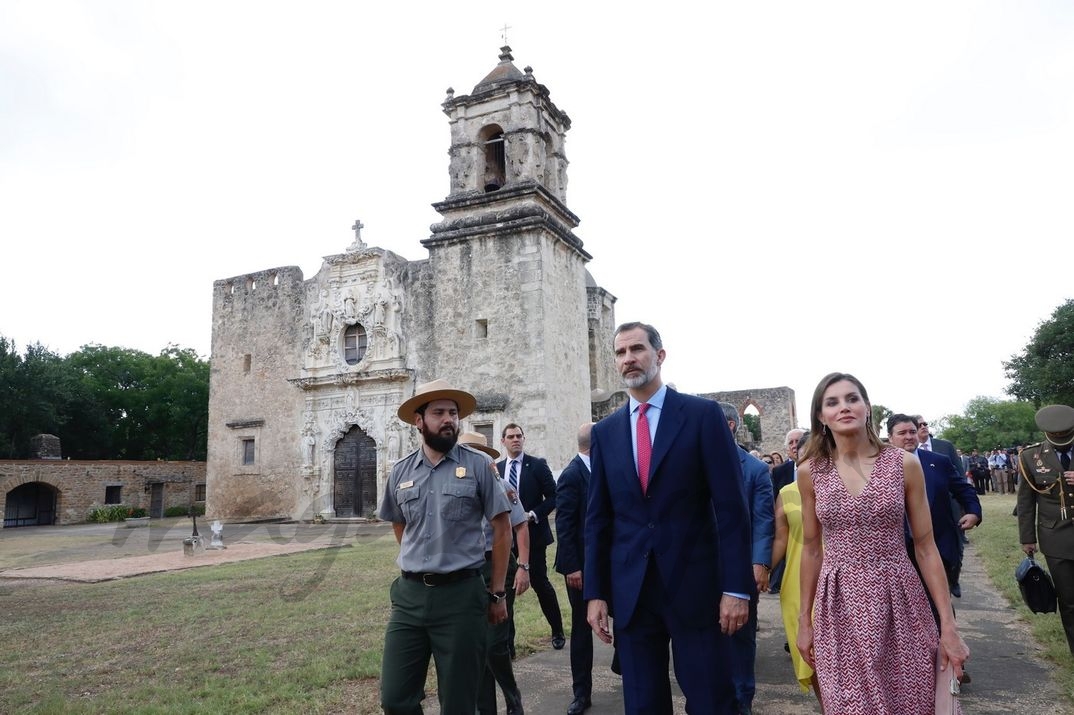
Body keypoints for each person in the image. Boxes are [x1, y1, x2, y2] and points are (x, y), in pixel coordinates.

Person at [584, 322, 754, 714]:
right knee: (643, 705)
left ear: (659, 356)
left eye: (637, 349)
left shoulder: (701, 416)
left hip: (697, 588)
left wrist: (737, 588)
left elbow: (731, 508)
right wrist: (596, 592)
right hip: (632, 593)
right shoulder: (606, 433)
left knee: (712, 701)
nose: (629, 359)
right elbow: (599, 519)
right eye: (621, 352)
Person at [797, 373, 968, 714]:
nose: (844, 407)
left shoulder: (903, 464)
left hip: (900, 597)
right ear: (820, 415)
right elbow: (812, 548)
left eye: (852, 399)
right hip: (838, 603)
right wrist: (804, 621)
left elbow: (925, 546)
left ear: (867, 407)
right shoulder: (810, 471)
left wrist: (948, 625)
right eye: (832, 402)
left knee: (910, 700)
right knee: (849, 704)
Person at [378, 379, 513, 715]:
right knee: (395, 698)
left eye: (453, 412)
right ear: (418, 420)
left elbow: (502, 528)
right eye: (438, 412)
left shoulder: (479, 466)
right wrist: (421, 558)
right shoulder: (401, 471)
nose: (448, 419)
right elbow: (399, 523)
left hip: (461, 598)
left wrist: (497, 593)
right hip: (409, 598)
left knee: (459, 703)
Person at [460, 431, 532, 715]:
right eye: (467, 451)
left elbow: (520, 525)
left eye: (478, 452)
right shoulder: (453, 486)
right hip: (465, 569)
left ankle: (512, 697)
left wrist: (524, 566)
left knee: (493, 644)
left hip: (497, 566)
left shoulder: (501, 485)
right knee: (474, 647)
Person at [888, 414, 982, 604]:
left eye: (912, 432)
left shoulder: (938, 461)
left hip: (938, 547)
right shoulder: (877, 467)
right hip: (896, 554)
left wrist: (973, 511)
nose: (909, 436)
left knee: (939, 608)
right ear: (890, 438)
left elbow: (963, 489)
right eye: (902, 433)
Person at [718, 402, 775, 715]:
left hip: (739, 569)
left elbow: (764, 520)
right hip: (699, 568)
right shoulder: (694, 462)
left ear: (728, 426)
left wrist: (760, 563)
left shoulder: (753, 470)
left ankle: (742, 700)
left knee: (740, 637)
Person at [498, 423, 566, 653]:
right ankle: (509, 644)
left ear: (524, 439)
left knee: (540, 584)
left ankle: (557, 630)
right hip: (505, 540)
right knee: (506, 591)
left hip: (533, 537)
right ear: (503, 441)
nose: (515, 439)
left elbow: (555, 497)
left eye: (519, 436)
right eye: (511, 436)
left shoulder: (537, 466)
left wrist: (534, 514)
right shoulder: (496, 469)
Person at [769, 431, 823, 710]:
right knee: (811, 659)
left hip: (840, 579)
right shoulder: (787, 493)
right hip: (797, 586)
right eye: (806, 454)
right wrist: (763, 569)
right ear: (797, 457)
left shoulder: (845, 488)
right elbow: (780, 538)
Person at [1017, 404, 1074, 657]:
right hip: (1056, 537)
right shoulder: (1031, 457)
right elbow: (1026, 501)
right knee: (1069, 600)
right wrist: (1027, 538)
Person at [554, 422, 597, 715]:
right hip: (580, 567)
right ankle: (581, 693)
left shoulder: (604, 470)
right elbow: (565, 525)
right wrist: (572, 567)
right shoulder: (571, 475)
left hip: (607, 563)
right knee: (582, 630)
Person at [769, 429, 805, 594]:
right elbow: (780, 535)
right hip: (791, 547)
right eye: (791, 442)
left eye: (799, 441)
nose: (795, 446)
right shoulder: (780, 475)